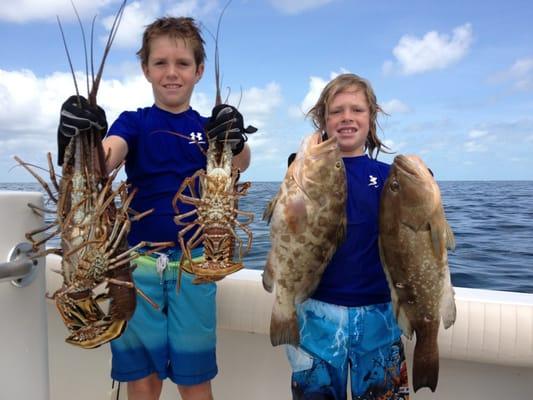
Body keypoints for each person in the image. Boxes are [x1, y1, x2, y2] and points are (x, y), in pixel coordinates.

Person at [57, 17, 255, 400]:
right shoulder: (135, 122)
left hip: (196, 264)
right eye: (160, 63)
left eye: (182, 64)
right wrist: (78, 136)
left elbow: (241, 163)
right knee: (142, 378)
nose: (171, 73)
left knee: (194, 377)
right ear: (145, 69)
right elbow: (105, 161)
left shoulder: (205, 126)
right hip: (136, 267)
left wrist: (234, 136)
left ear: (198, 71)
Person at [285, 73, 410, 400]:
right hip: (316, 313)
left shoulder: (389, 178)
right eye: (336, 111)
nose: (347, 118)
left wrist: (422, 184)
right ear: (322, 120)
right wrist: (301, 166)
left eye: (357, 109)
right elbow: (288, 221)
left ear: (372, 118)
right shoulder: (303, 171)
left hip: (380, 315)